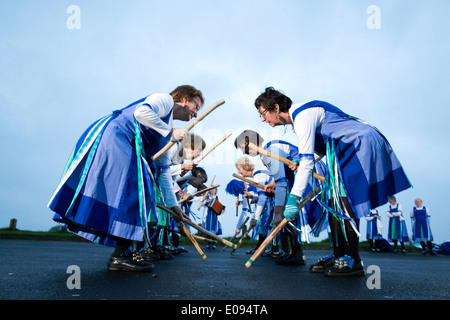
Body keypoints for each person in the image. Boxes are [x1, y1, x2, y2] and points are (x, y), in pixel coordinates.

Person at [253, 87, 412, 277]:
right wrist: (301, 160)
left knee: (344, 199)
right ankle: (339, 254)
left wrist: (293, 198)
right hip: (343, 149)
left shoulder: (302, 116)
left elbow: (307, 163)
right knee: (332, 199)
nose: (263, 119)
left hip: (357, 143)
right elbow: (317, 150)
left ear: (276, 107)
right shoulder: (299, 120)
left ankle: (353, 259)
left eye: (263, 113)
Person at [48, 85, 205, 271]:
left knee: (140, 192)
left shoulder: (166, 132)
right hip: (115, 135)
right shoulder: (165, 100)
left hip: (125, 145)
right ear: (185, 100)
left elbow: (163, 173)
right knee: (136, 190)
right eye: (196, 106)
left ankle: (122, 253)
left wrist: (174, 207)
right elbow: (141, 113)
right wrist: (170, 132)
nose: (195, 114)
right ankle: (119, 256)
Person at [234, 130, 308, 265]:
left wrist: (278, 213)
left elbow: (282, 182)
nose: (244, 152)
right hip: (293, 182)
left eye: (243, 148)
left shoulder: (270, 150)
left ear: (247, 143)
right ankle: (296, 253)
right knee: (288, 217)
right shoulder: (265, 154)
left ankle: (297, 253)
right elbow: (280, 176)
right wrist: (270, 184)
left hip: (306, 178)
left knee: (286, 216)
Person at [235, 157, 274, 255]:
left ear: (246, 168)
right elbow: (262, 196)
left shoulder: (258, 175)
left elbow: (262, 198)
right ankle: (269, 249)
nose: (239, 172)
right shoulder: (258, 175)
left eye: (239, 169)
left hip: (277, 201)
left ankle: (276, 250)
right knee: (266, 226)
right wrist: (251, 196)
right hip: (273, 201)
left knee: (271, 225)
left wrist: (255, 218)